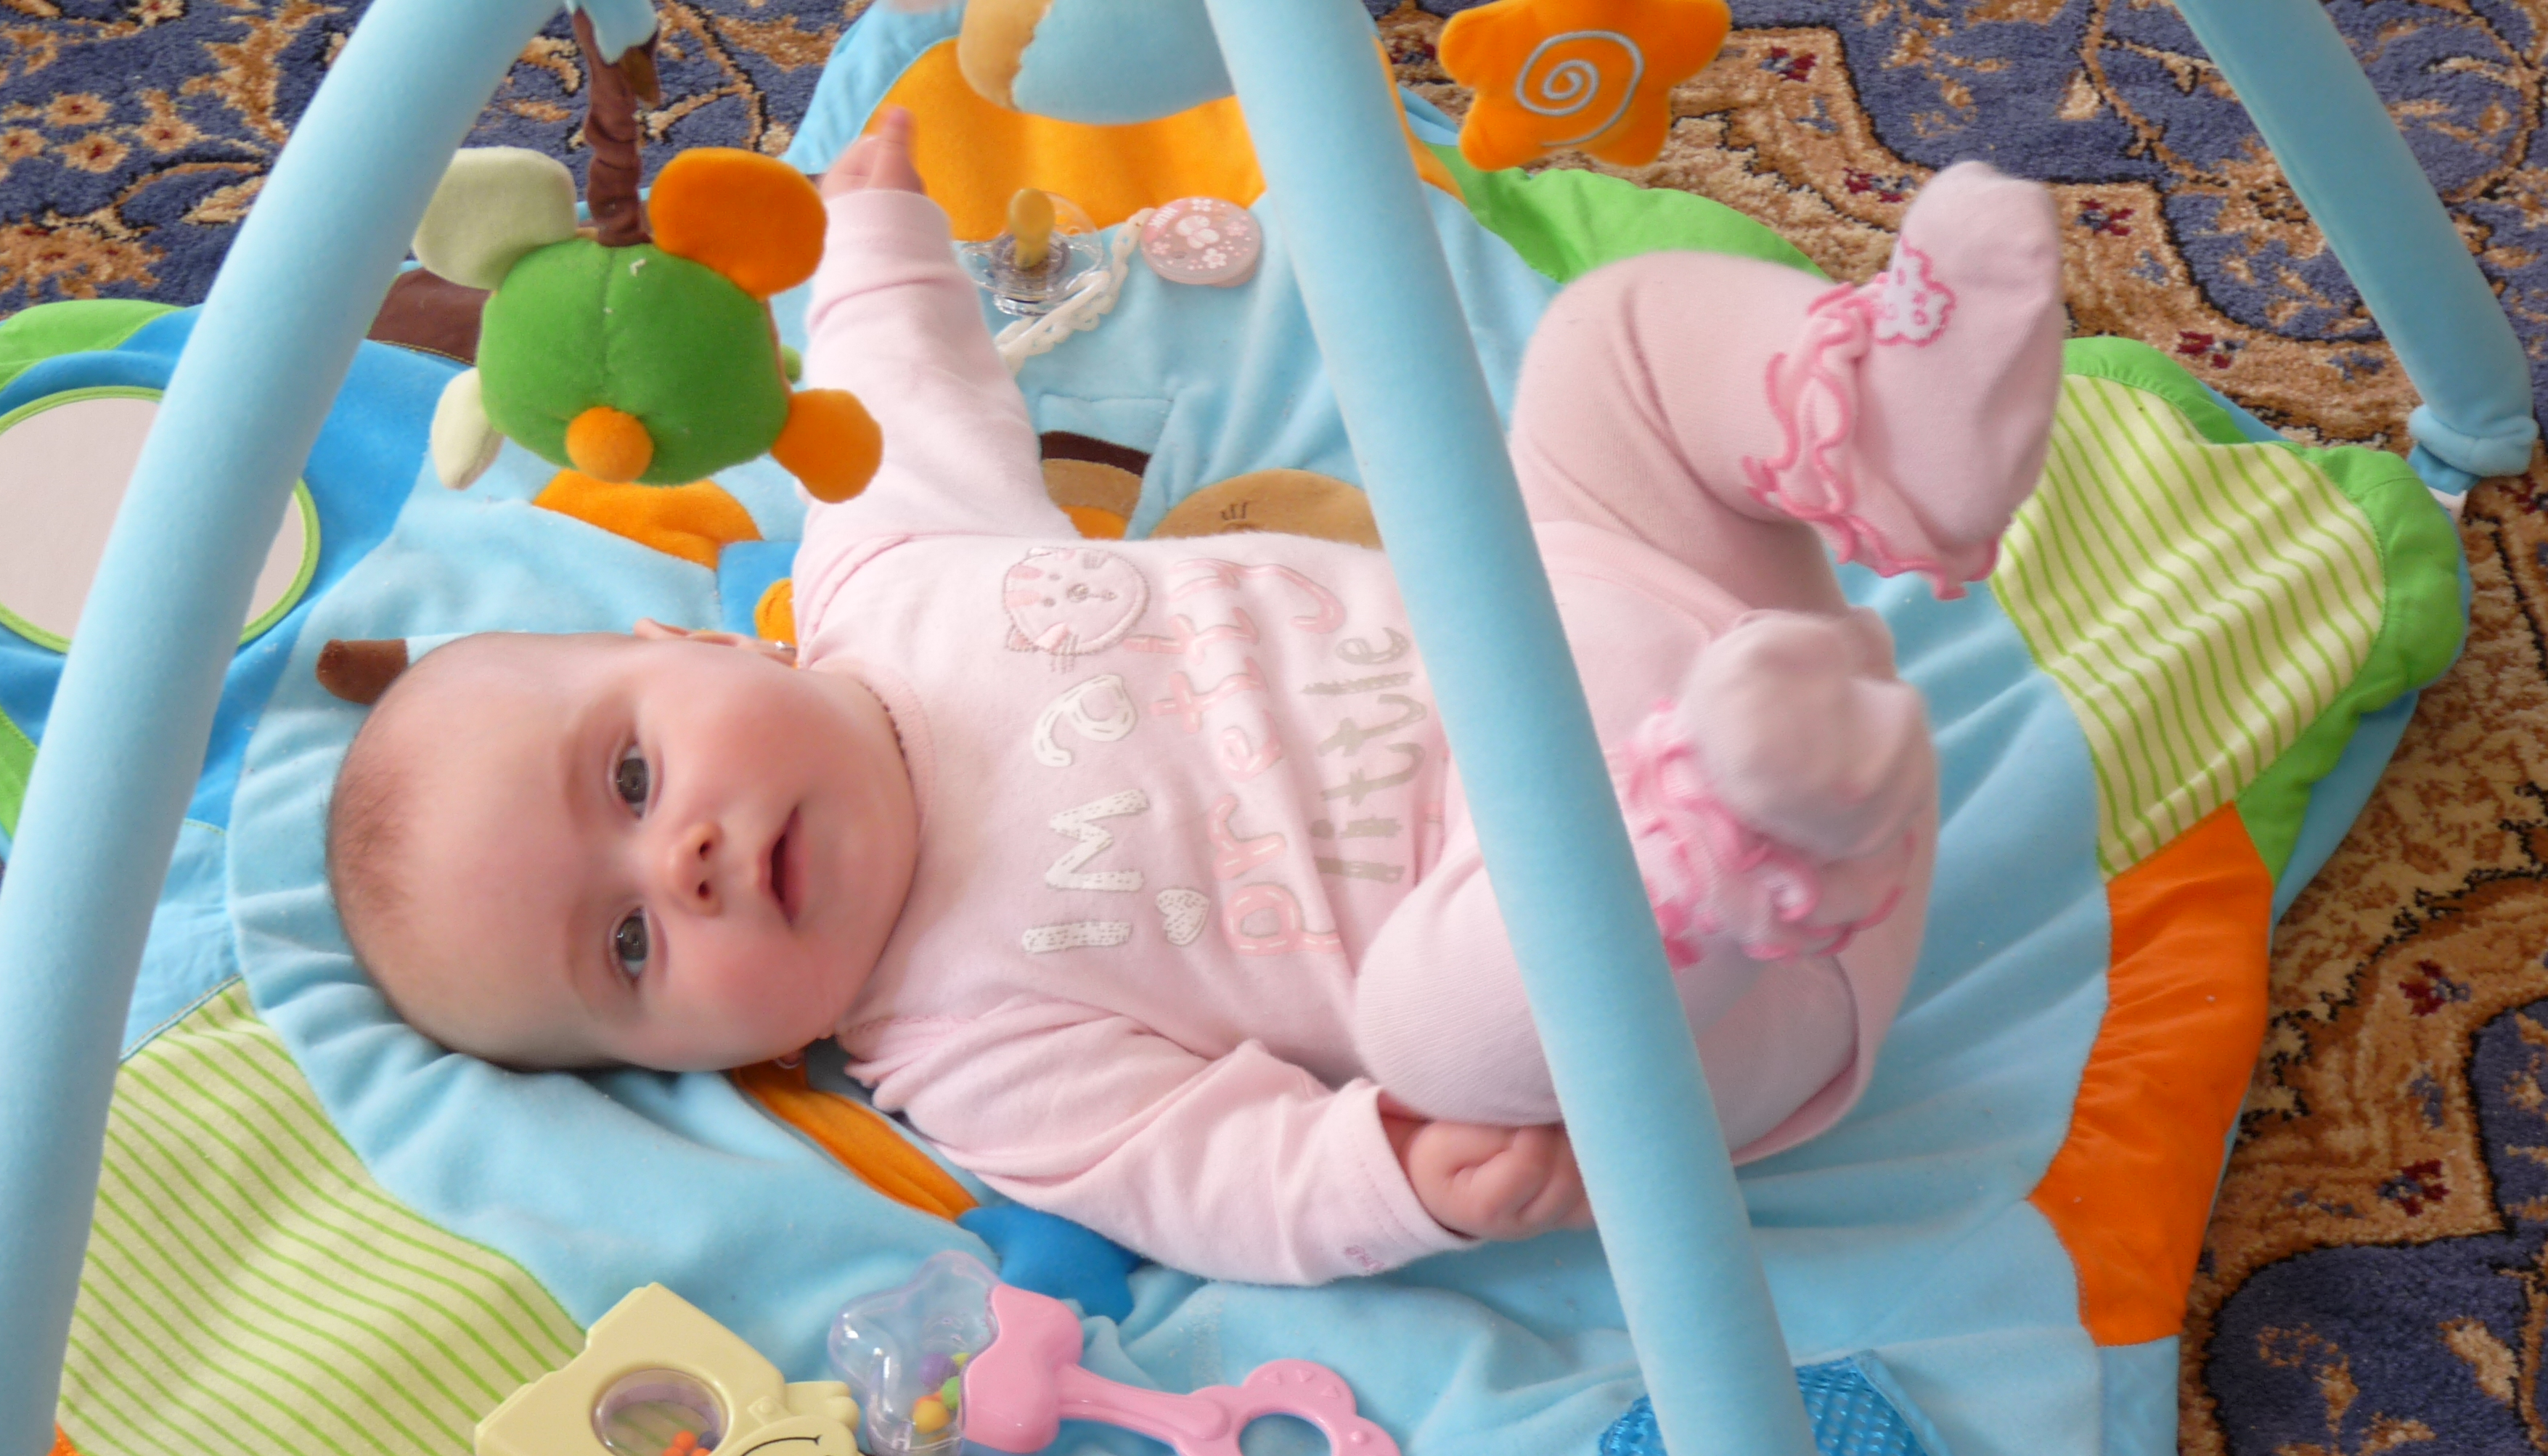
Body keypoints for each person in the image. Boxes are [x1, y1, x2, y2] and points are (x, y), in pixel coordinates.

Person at [327, 107, 2063, 1285]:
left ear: (705, 650)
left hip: (1644, 629)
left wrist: (870, 229)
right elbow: (1202, 1171)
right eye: (630, 948)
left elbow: (901, 388)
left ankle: (1891, 434)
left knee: (1606, 349)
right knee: (1441, 1038)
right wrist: (1392, 1178)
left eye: (630, 781)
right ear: (706, 1060)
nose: (681, 864)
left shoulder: (885, 577)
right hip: (1702, 975)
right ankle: (1723, 826)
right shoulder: (962, 1049)